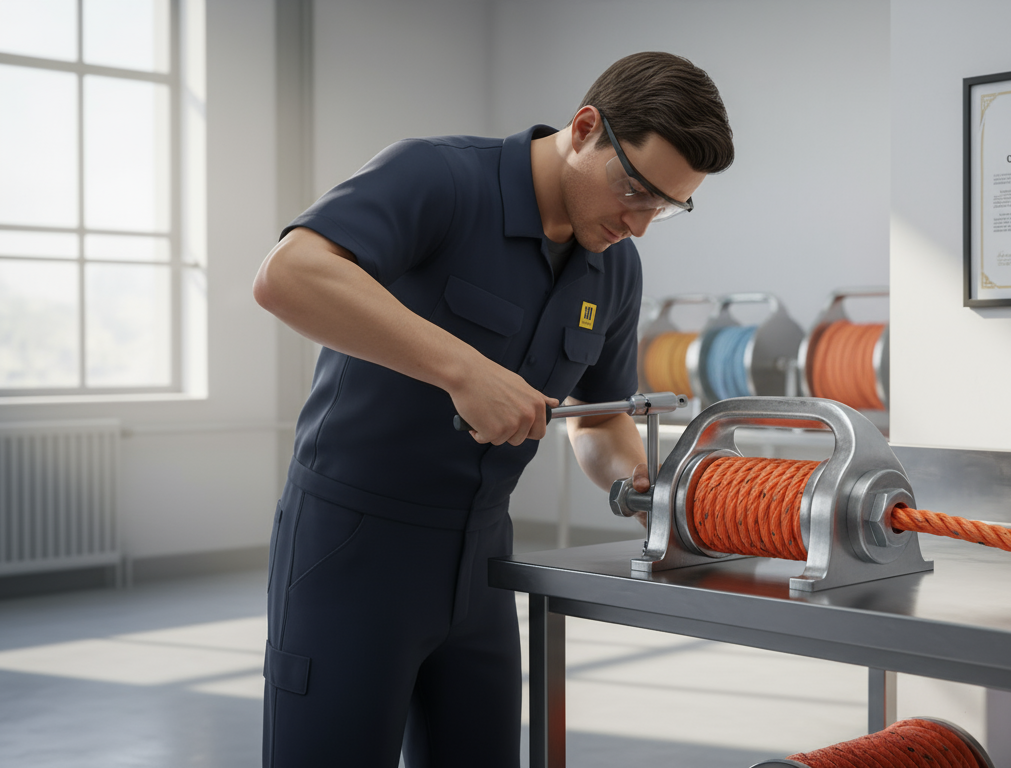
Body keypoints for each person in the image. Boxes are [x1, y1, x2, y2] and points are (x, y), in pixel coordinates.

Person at [251, 51, 734, 768]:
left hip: (483, 561)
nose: (641, 223)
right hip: (352, 549)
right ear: (584, 127)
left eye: (667, 205)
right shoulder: (438, 178)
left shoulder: (616, 266)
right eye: (634, 188)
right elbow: (287, 274)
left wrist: (642, 489)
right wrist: (464, 370)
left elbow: (599, 417)